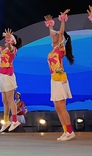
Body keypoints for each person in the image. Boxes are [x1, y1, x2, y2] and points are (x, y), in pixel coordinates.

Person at [46, 10, 75, 141]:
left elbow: (61, 33)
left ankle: (70, 132)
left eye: (56, 36)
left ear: (60, 39)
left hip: (60, 79)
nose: (54, 37)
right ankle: (65, 131)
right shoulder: (53, 49)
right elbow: (53, 35)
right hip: (54, 79)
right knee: (57, 107)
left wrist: (62, 20)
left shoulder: (60, 48)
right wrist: (50, 25)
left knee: (62, 107)